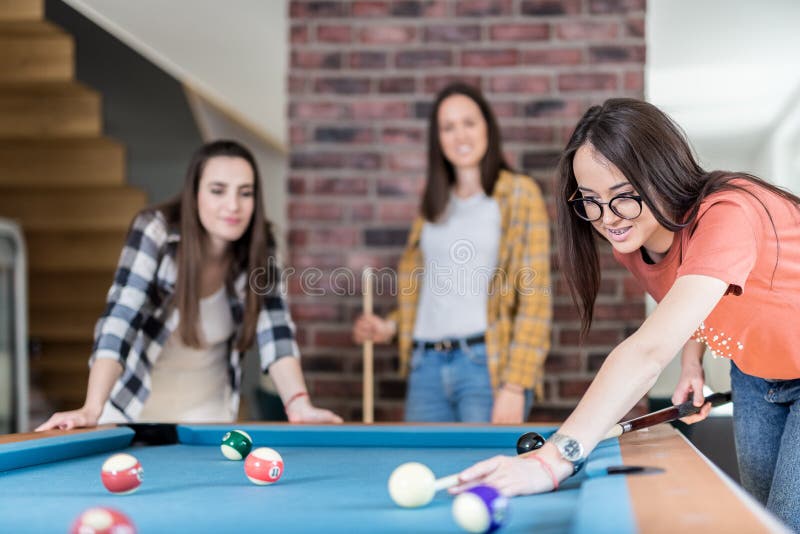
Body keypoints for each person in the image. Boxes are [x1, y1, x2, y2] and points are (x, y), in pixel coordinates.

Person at [450, 98, 800, 530]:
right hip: (755, 374)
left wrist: (553, 459)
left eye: (622, 197)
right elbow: (692, 295)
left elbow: (649, 350)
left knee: (786, 521)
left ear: (661, 174)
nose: (606, 218)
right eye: (590, 201)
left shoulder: (729, 215)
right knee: (764, 519)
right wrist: (693, 363)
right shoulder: (634, 238)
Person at [37, 140, 341, 430]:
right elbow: (120, 318)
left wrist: (298, 403)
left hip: (208, 417)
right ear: (194, 194)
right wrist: (92, 407)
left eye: (245, 193)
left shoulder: (262, 248)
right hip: (133, 409)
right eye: (218, 190)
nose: (233, 205)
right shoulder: (155, 230)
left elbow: (275, 329)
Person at [352, 82, 551, 423]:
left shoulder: (519, 193)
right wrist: (388, 327)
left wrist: (516, 386)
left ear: (487, 126)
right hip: (424, 366)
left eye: (469, 123)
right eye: (448, 127)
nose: (460, 135)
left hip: (484, 366)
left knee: (484, 475)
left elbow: (535, 300)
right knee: (424, 474)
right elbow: (432, 293)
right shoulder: (433, 203)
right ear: (438, 139)